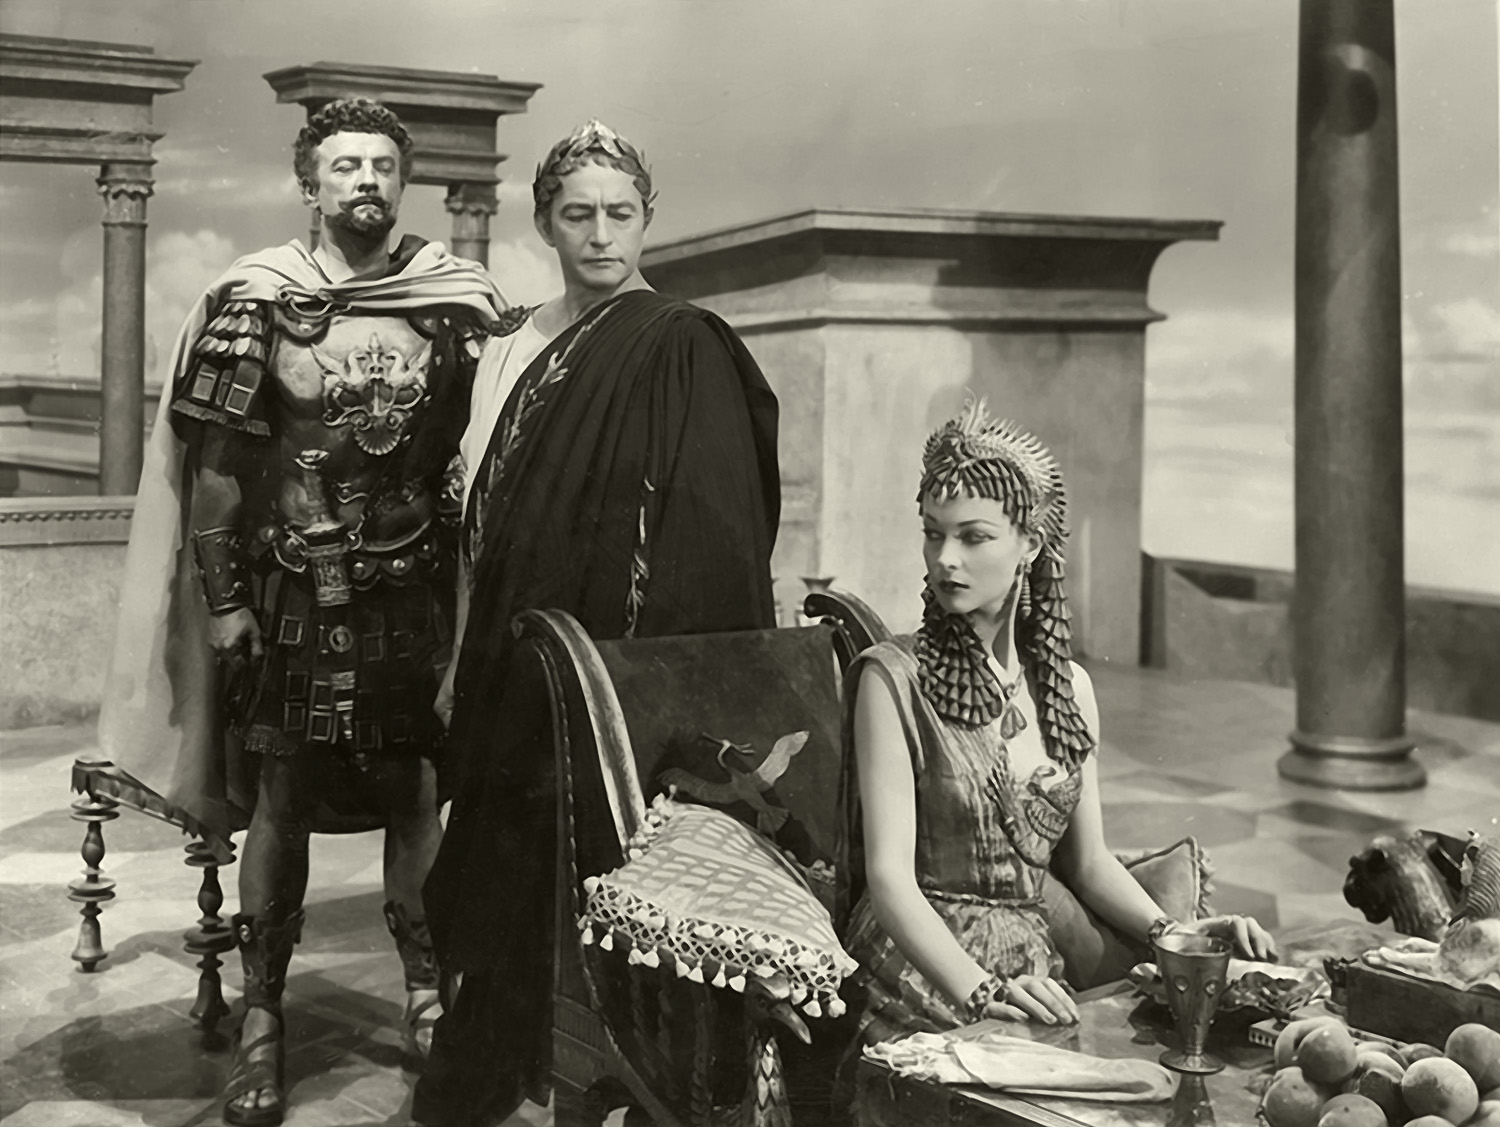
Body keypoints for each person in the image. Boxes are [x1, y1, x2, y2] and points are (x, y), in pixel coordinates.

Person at [96, 98, 513, 1126]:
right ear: (311, 184)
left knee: (417, 794)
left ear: (402, 180)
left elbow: (494, 453)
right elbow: (217, 474)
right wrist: (225, 603)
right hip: (291, 596)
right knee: (281, 797)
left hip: (416, 596)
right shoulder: (259, 301)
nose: (366, 180)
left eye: (382, 165)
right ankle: (264, 1018)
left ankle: (427, 996)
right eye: (345, 166)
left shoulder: (455, 304)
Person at [414, 120, 781, 1126]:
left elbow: (710, 540)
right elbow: (476, 523)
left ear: (647, 219)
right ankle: (514, 1065)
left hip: (614, 682)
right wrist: (462, 657)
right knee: (504, 877)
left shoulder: (680, 343)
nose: (602, 234)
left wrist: (645, 694)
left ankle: (606, 1077)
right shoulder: (510, 346)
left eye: (621, 213)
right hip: (511, 661)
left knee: (593, 893)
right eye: (579, 214)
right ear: (545, 223)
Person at [838, 400, 1276, 1042]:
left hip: (1035, 965)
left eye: (973, 536)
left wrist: (1175, 936)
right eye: (934, 533)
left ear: (1031, 544)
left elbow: (1090, 863)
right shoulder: (893, 679)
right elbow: (889, 881)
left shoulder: (1070, 690)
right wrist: (982, 991)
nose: (946, 558)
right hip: (920, 969)